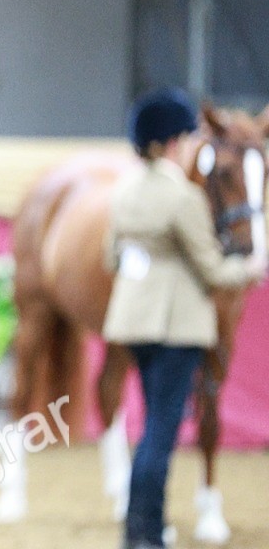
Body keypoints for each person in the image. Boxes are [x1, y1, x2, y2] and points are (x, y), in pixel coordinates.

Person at [103, 89, 266, 549]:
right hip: (176, 328)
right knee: (161, 430)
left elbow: (111, 257)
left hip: (131, 323)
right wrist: (249, 269)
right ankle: (144, 532)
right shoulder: (184, 199)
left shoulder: (124, 191)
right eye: (180, 138)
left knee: (153, 424)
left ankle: (139, 526)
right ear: (166, 143)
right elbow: (212, 269)